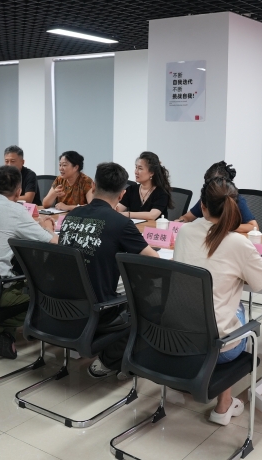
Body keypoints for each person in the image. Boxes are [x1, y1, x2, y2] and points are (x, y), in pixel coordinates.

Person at [174, 176, 262, 426]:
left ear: (202, 206)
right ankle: (223, 406)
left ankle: (192, 381)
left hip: (177, 339)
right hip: (218, 348)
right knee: (237, 307)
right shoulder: (238, 243)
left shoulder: (185, 232)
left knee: (211, 303)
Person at [58, 162, 158, 378]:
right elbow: (154, 261)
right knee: (149, 303)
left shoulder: (71, 216)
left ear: (93, 186)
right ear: (122, 194)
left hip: (63, 304)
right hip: (98, 310)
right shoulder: (120, 223)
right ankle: (109, 360)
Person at [0, 165, 58, 359]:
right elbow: (52, 242)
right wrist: (48, 226)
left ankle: (3, 334)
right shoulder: (15, 211)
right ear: (19, 191)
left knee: (17, 269)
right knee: (49, 298)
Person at [178, 161, 259, 233]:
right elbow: (187, 217)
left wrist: (224, 227)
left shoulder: (236, 200)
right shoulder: (207, 198)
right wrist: (180, 221)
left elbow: (254, 227)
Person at [116, 151, 173, 221]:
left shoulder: (161, 192)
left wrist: (127, 214)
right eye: (136, 167)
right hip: (134, 227)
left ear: (151, 173)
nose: (136, 172)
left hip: (154, 227)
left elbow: (152, 215)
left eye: (140, 168)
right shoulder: (131, 189)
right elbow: (117, 209)